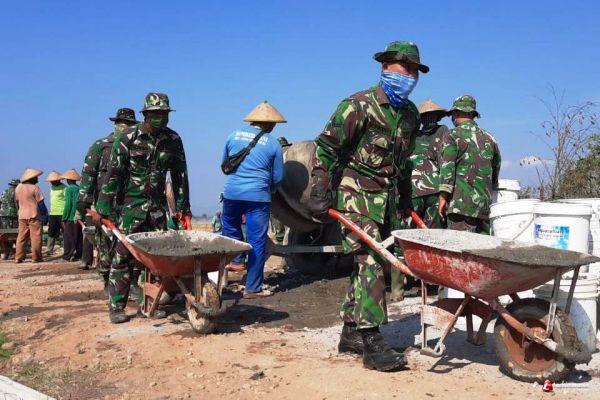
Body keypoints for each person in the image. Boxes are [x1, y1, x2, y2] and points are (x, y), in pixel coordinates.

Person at [308, 41, 427, 371]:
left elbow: (405, 162)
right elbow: (326, 148)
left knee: (366, 263)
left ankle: (351, 333)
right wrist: (319, 190)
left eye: (415, 71)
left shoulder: (410, 115)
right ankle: (372, 341)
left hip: (386, 201)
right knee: (371, 260)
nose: (411, 76)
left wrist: (406, 198)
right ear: (386, 67)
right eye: (406, 68)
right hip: (356, 195)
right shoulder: (358, 105)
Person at [95, 92, 191, 324]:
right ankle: (116, 307)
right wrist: (103, 207)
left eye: (164, 114)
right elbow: (114, 172)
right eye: (156, 114)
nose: (161, 118)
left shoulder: (173, 139)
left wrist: (183, 208)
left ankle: (149, 305)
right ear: (146, 114)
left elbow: (180, 175)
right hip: (130, 207)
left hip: (157, 208)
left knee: (156, 260)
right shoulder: (128, 136)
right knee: (123, 257)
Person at [221, 101, 285, 299]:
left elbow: (225, 165)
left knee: (230, 227)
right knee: (257, 241)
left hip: (231, 194)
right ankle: (253, 288)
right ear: (270, 124)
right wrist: (269, 189)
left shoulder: (232, 136)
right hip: (258, 198)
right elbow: (278, 177)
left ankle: (237, 259)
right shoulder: (273, 144)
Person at [392, 100, 449, 301]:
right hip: (429, 192)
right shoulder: (443, 134)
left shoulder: (409, 137)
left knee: (405, 239)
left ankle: (398, 290)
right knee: (434, 239)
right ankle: (438, 289)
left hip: (413, 193)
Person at [77, 108, 138, 288]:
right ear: (115, 124)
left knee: (129, 243)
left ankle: (130, 282)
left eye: (129, 124)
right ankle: (106, 280)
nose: (125, 127)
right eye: (122, 123)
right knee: (105, 243)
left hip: (129, 204)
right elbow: (88, 173)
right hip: (105, 204)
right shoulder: (101, 146)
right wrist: (84, 199)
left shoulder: (136, 146)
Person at [438, 95, 501, 233]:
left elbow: (447, 169)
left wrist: (442, 197)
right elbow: (495, 169)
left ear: (456, 113)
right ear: (473, 114)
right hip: (483, 207)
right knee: (481, 245)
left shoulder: (452, 135)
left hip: (460, 206)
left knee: (458, 245)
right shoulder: (490, 138)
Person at [14, 168, 47, 263]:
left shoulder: (18, 187)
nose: (37, 179)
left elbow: (17, 202)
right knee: (36, 237)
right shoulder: (35, 188)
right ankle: (36, 258)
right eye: (36, 177)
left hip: (22, 215)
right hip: (34, 215)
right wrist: (45, 216)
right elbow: (41, 204)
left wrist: (19, 211)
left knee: (21, 237)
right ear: (32, 178)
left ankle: (18, 257)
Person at [270, 137, 292, 244]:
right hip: (295, 190)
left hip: (279, 189)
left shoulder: (275, 154)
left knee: (275, 211)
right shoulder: (292, 151)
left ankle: (280, 236)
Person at [61, 169, 83, 261]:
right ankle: (79, 254)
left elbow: (68, 204)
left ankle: (67, 255)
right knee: (78, 236)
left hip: (71, 216)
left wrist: (64, 217)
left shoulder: (69, 189)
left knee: (68, 237)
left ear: (68, 180)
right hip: (79, 215)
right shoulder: (79, 188)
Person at [45, 171, 66, 255]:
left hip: (62, 212)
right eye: (51, 181)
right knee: (51, 231)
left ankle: (65, 248)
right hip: (53, 213)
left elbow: (66, 200)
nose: (51, 182)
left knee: (64, 231)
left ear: (58, 180)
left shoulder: (64, 188)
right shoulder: (51, 188)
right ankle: (49, 249)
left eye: (53, 181)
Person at [0, 179, 20, 259]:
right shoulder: (16, 192)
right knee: (14, 233)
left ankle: (6, 252)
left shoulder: (4, 192)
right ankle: (14, 252)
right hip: (12, 214)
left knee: (5, 234)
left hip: (3, 214)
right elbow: (17, 204)